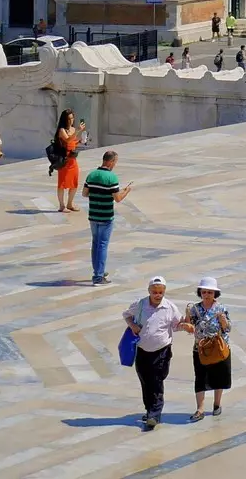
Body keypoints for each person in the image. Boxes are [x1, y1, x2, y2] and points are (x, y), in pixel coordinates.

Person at [123, 275, 180, 430]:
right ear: (149, 291)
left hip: (162, 350)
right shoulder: (140, 305)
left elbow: (176, 325)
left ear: (164, 291)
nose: (157, 295)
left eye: (160, 292)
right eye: (154, 291)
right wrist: (133, 326)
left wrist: (186, 326)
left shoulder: (170, 307)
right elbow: (126, 315)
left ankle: (155, 413)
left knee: (156, 380)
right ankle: (150, 410)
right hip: (142, 349)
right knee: (145, 380)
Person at [181, 275, 232, 420]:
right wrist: (186, 322)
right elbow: (190, 327)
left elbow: (228, 328)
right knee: (200, 378)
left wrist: (223, 321)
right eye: (204, 292)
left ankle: (217, 404)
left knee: (219, 376)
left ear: (215, 293)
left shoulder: (221, 308)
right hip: (201, 349)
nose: (207, 295)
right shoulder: (195, 308)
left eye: (210, 292)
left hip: (219, 347)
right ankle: (200, 409)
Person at [83, 150, 132, 285]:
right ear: (110, 161)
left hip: (93, 215)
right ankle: (98, 276)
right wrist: (126, 191)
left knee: (95, 243)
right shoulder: (112, 178)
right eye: (115, 162)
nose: (115, 165)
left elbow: (84, 193)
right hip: (105, 216)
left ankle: (98, 270)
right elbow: (117, 199)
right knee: (103, 245)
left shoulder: (91, 175)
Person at [52, 109, 86, 213]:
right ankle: (61, 206)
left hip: (72, 159)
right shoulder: (62, 130)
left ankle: (70, 203)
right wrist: (77, 131)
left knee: (74, 182)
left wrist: (81, 141)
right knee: (62, 183)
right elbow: (67, 140)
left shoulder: (72, 129)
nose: (71, 120)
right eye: (69, 119)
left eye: (72, 118)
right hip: (64, 160)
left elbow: (73, 143)